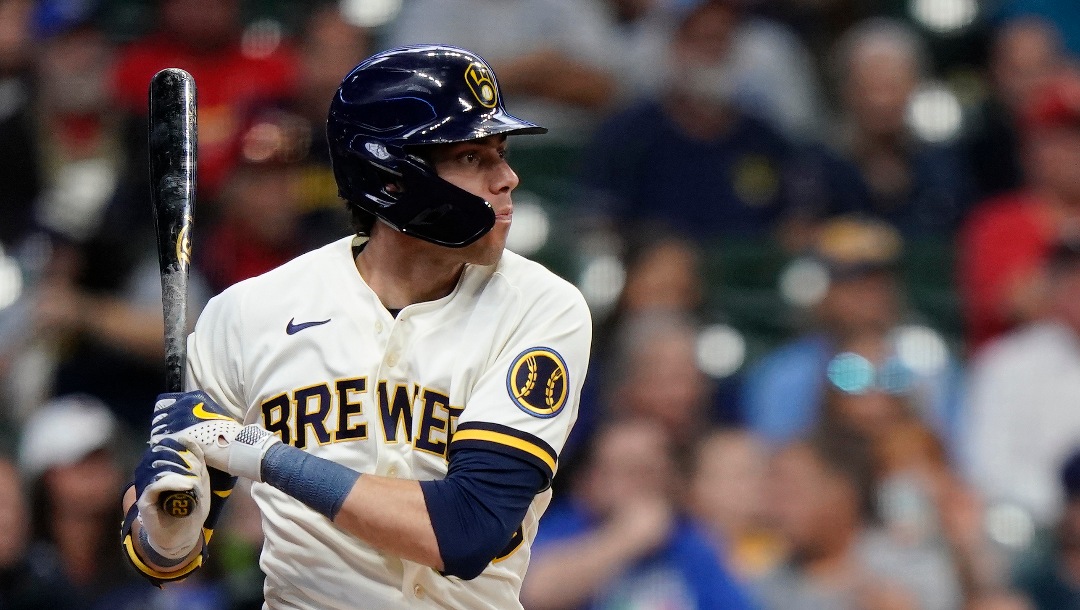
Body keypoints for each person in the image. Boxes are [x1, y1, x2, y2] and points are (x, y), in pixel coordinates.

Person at [119, 45, 593, 610]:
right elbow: (158, 556)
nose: (507, 178)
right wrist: (168, 532)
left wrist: (262, 454)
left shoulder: (542, 307)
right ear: (390, 178)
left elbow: (468, 530)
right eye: (473, 158)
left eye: (501, 153)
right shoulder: (248, 312)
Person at [521, 418, 756, 610]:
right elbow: (532, 594)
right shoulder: (564, 526)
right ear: (593, 480)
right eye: (630, 471)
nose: (643, 484)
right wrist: (626, 539)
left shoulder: (687, 540)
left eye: (653, 471)